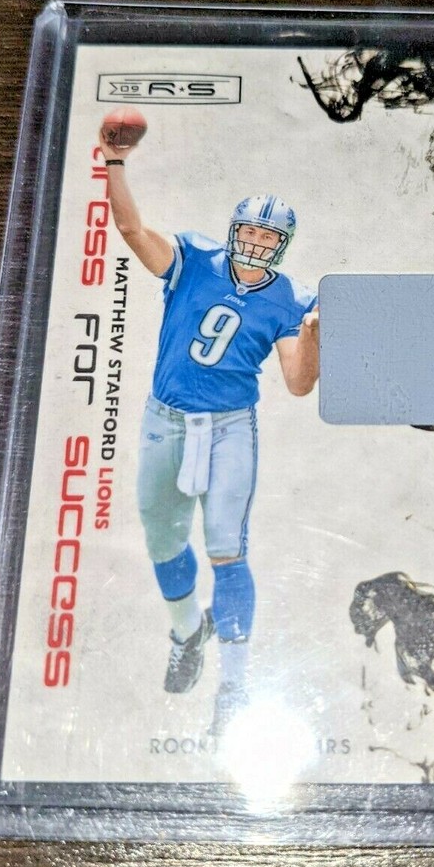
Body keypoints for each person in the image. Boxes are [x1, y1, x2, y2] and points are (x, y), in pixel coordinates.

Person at [97, 122, 319, 734]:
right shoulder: (194, 259)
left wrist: (315, 332)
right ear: (233, 230)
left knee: (226, 546)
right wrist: (115, 164)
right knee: (163, 541)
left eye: (268, 235)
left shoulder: (292, 298)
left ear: (282, 244)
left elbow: (299, 383)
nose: (255, 241)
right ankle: (187, 632)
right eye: (249, 230)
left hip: (228, 428)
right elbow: (132, 231)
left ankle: (235, 686)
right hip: (165, 419)